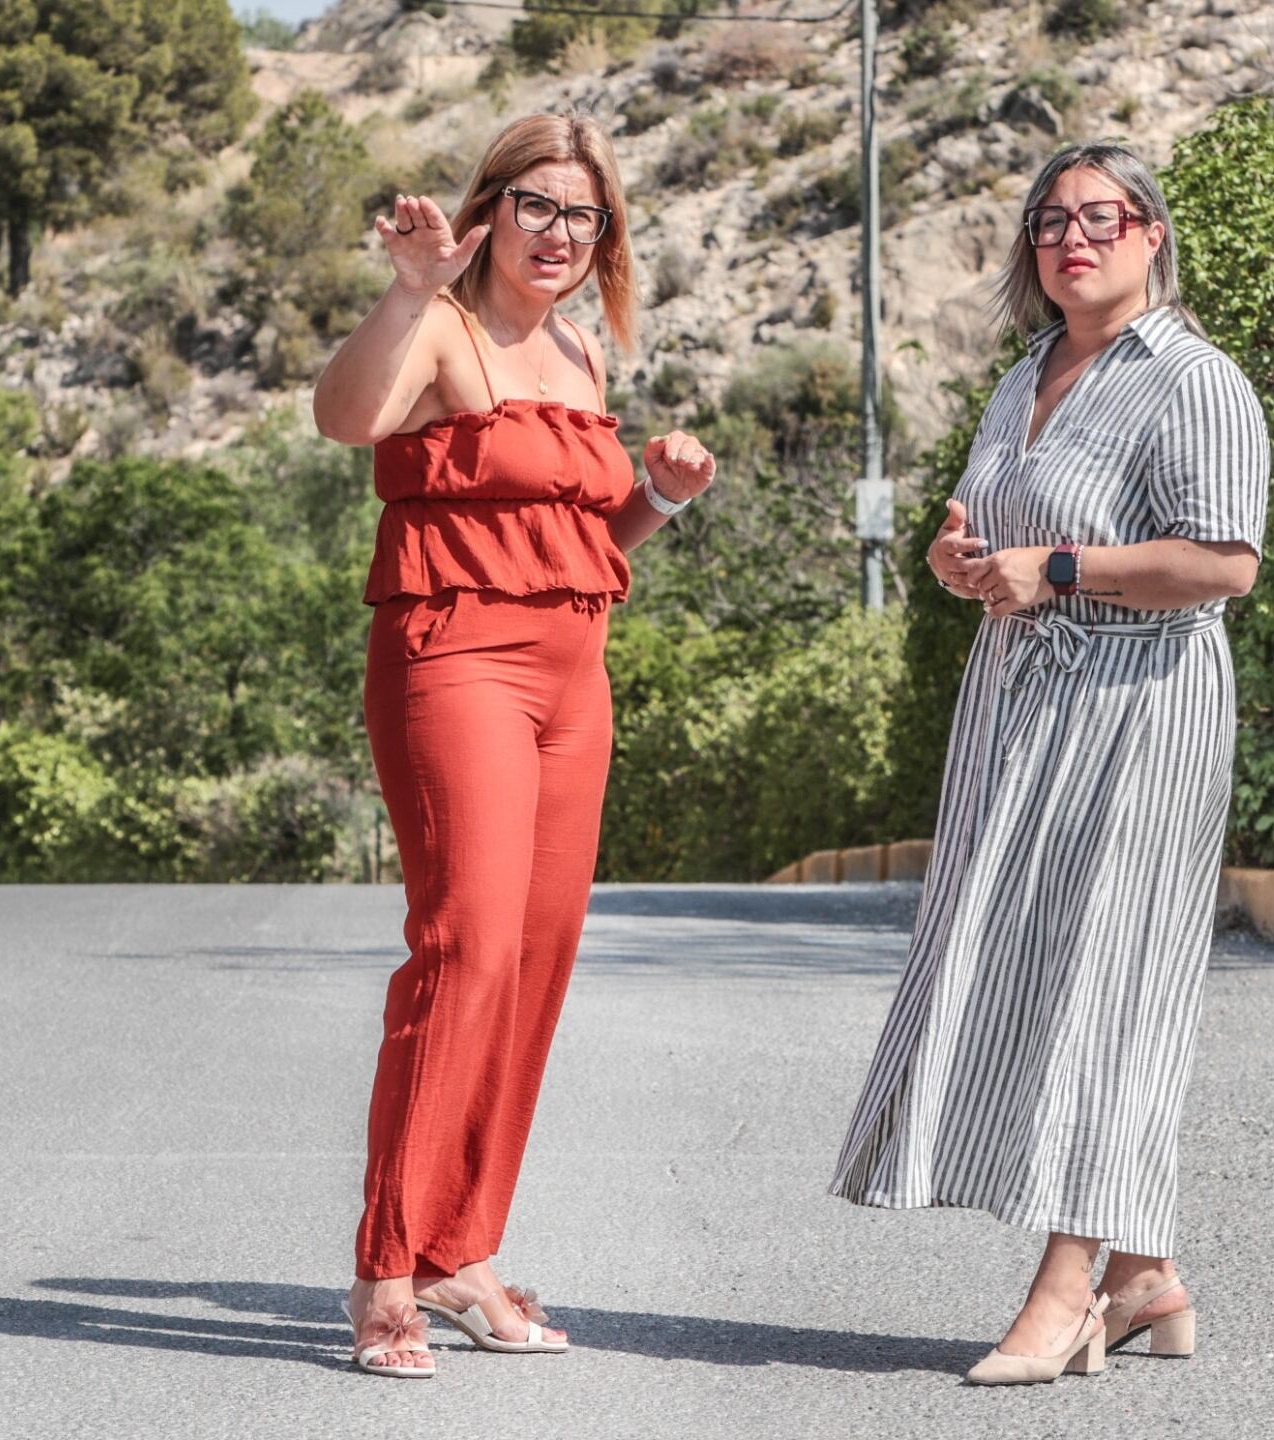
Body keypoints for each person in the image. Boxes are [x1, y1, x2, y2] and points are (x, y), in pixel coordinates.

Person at [828, 142, 1270, 1386]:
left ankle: (1066, 1286)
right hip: (1020, 711)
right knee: (1037, 966)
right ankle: (1147, 1277)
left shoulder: (1192, 379)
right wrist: (964, 563)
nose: (1072, 239)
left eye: (1101, 217)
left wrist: (1062, 569)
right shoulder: (1027, 371)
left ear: (1150, 233)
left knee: (1101, 978)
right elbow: (995, 539)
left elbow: (1225, 563)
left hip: (1140, 711)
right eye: (1048, 223)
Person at [312, 111, 716, 1380]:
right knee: (466, 946)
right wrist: (407, 290)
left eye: (583, 216)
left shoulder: (582, 357)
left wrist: (656, 498)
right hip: (453, 657)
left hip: (572, 673)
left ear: (606, 242)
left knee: (534, 962)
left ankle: (465, 1247)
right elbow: (343, 419)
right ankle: (388, 1271)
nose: (558, 233)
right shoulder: (438, 324)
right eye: (537, 206)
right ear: (489, 211)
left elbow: (579, 540)